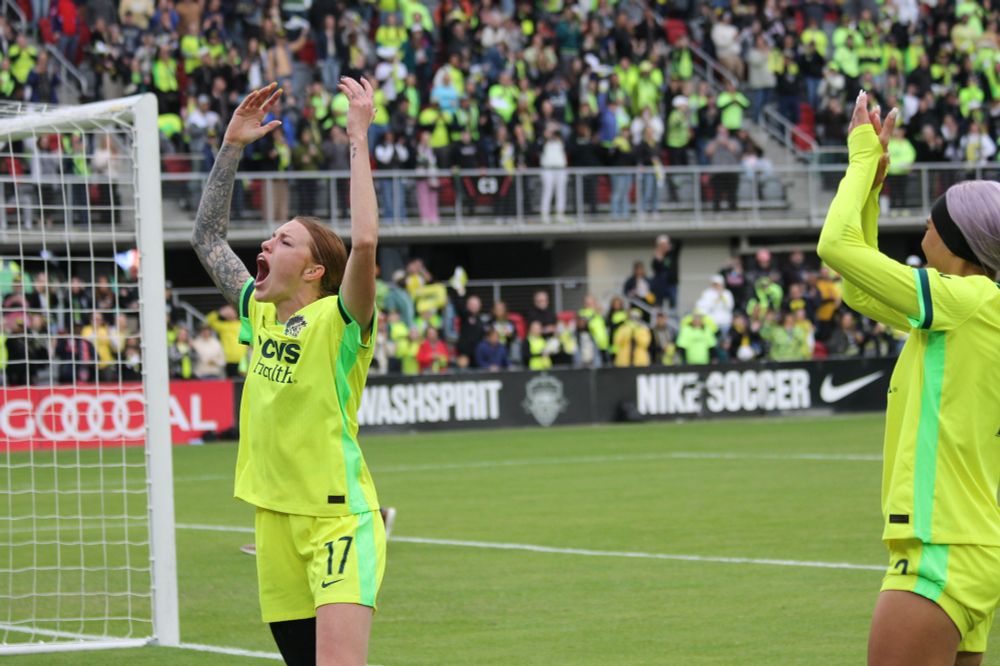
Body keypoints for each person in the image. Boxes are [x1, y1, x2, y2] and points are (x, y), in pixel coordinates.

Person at [191, 80, 387, 666]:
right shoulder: (261, 310)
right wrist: (231, 146)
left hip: (337, 522)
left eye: (285, 239)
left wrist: (358, 138)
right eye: (272, 236)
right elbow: (206, 237)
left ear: (313, 270)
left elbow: (367, 243)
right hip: (272, 521)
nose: (268, 241)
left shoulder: (340, 319)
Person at [817, 91, 1000, 666]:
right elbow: (857, 285)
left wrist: (860, 159)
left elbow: (834, 246)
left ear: (958, 240)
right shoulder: (967, 305)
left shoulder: (964, 301)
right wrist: (871, 189)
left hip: (941, 545)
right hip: (967, 544)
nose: (927, 219)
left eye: (936, 216)